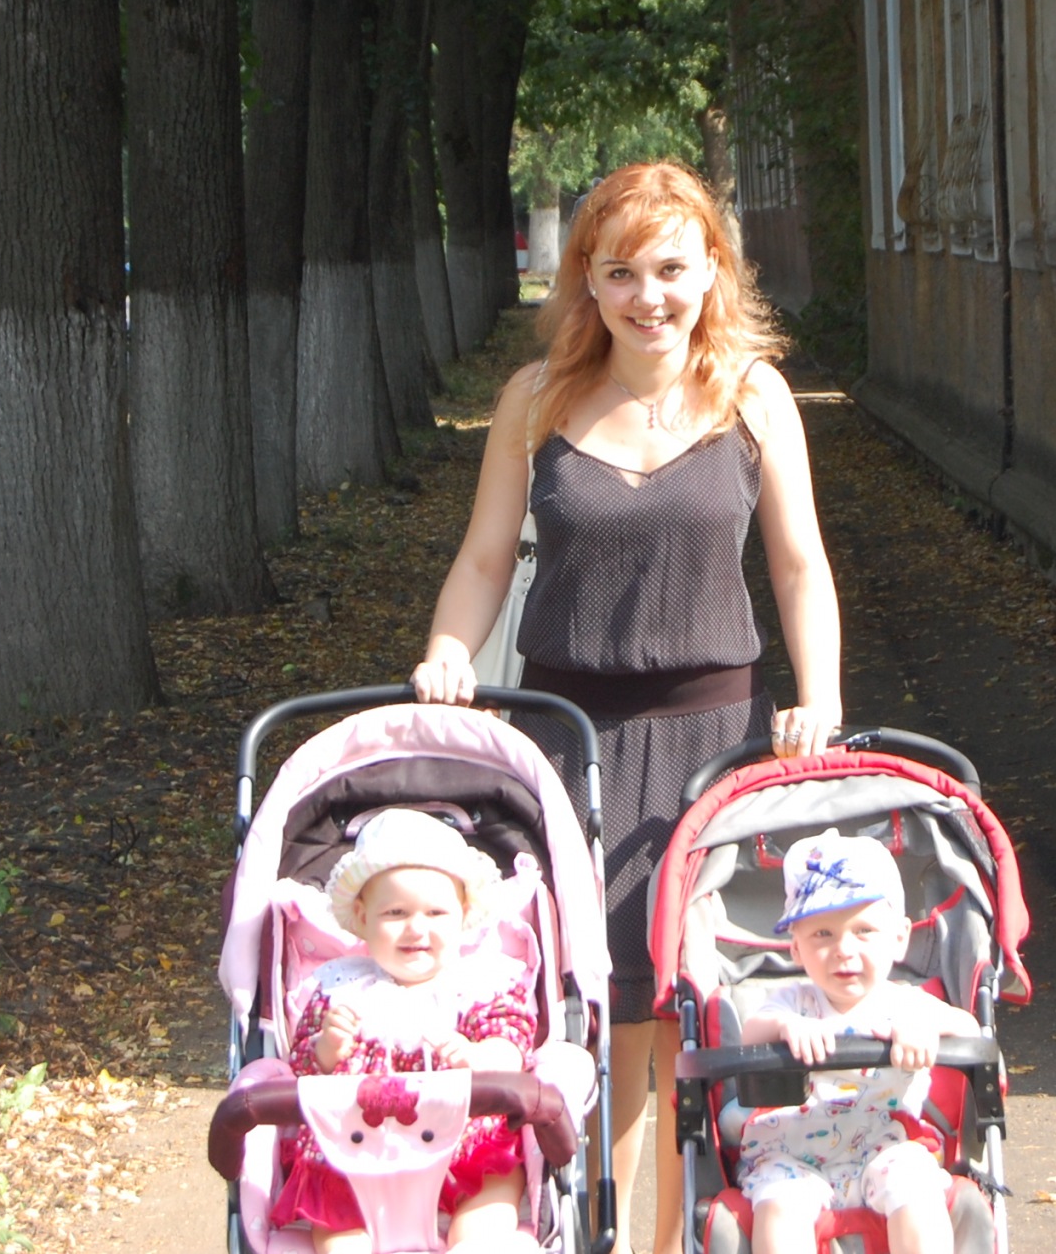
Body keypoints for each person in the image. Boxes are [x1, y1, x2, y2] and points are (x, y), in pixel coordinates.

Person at [411, 160, 845, 1254]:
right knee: (592, 1027)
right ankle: (590, 1234)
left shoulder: (753, 395)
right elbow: (482, 558)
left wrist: (820, 696)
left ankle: (673, 1241)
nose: (648, 295)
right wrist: (447, 652)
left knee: (690, 1027)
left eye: (670, 269)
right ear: (587, 281)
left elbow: (799, 565)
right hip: (571, 748)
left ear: (712, 270)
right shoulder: (536, 400)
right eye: (620, 272)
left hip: (715, 750)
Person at [278, 809, 537, 1254]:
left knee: (490, 1197)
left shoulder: (478, 984)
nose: (417, 928)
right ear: (362, 918)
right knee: (338, 1228)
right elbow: (301, 1065)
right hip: (356, 1156)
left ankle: (476, 1243)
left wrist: (481, 1056)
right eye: (395, 913)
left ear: (463, 915)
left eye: (436, 912)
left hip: (464, 1146)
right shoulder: (341, 989)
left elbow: (513, 1036)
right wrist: (327, 1047)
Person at [735, 832, 979, 1254]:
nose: (843, 950)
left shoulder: (908, 1004)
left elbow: (971, 1032)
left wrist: (926, 1026)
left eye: (863, 931)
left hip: (886, 1146)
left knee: (917, 1187)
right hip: (791, 1156)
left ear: (899, 938)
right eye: (822, 934)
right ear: (796, 948)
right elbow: (749, 1035)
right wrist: (785, 1028)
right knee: (779, 1207)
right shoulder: (792, 1003)